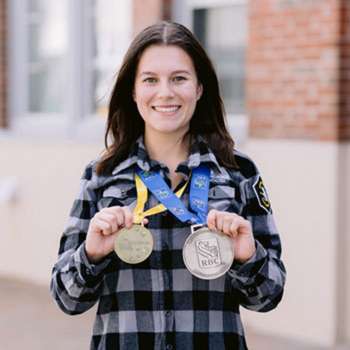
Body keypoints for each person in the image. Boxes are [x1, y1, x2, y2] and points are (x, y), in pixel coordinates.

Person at [50, 21, 286, 350]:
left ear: (199, 87)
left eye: (179, 78)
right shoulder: (101, 175)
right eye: (150, 80)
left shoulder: (239, 172)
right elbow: (67, 299)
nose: (165, 92)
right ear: (133, 91)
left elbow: (269, 296)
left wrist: (247, 256)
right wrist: (90, 254)